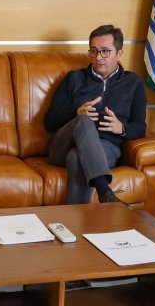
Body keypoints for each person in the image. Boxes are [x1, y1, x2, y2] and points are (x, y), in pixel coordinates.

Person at [43, 24, 148, 207]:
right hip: (63, 145)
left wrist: (122, 128)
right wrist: (75, 114)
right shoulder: (74, 78)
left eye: (105, 51)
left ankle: (75, 225)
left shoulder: (133, 83)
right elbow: (49, 121)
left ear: (119, 53)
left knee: (77, 158)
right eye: (94, 51)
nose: (98, 57)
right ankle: (105, 191)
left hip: (106, 148)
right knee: (83, 120)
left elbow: (140, 126)